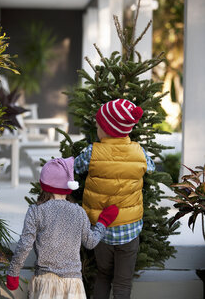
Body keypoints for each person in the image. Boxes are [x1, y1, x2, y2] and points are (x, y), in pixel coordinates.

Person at [74, 98, 155, 299]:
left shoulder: (92, 152)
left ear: (107, 128)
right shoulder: (139, 152)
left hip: (101, 230)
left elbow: (75, 167)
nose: (96, 128)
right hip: (130, 229)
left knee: (103, 275)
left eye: (98, 125)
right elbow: (151, 167)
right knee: (123, 282)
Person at [6, 157, 119, 299]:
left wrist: (13, 272)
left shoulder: (36, 211)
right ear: (68, 187)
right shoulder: (78, 212)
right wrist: (103, 222)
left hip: (46, 283)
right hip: (73, 285)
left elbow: (24, 245)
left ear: (44, 185)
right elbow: (90, 242)